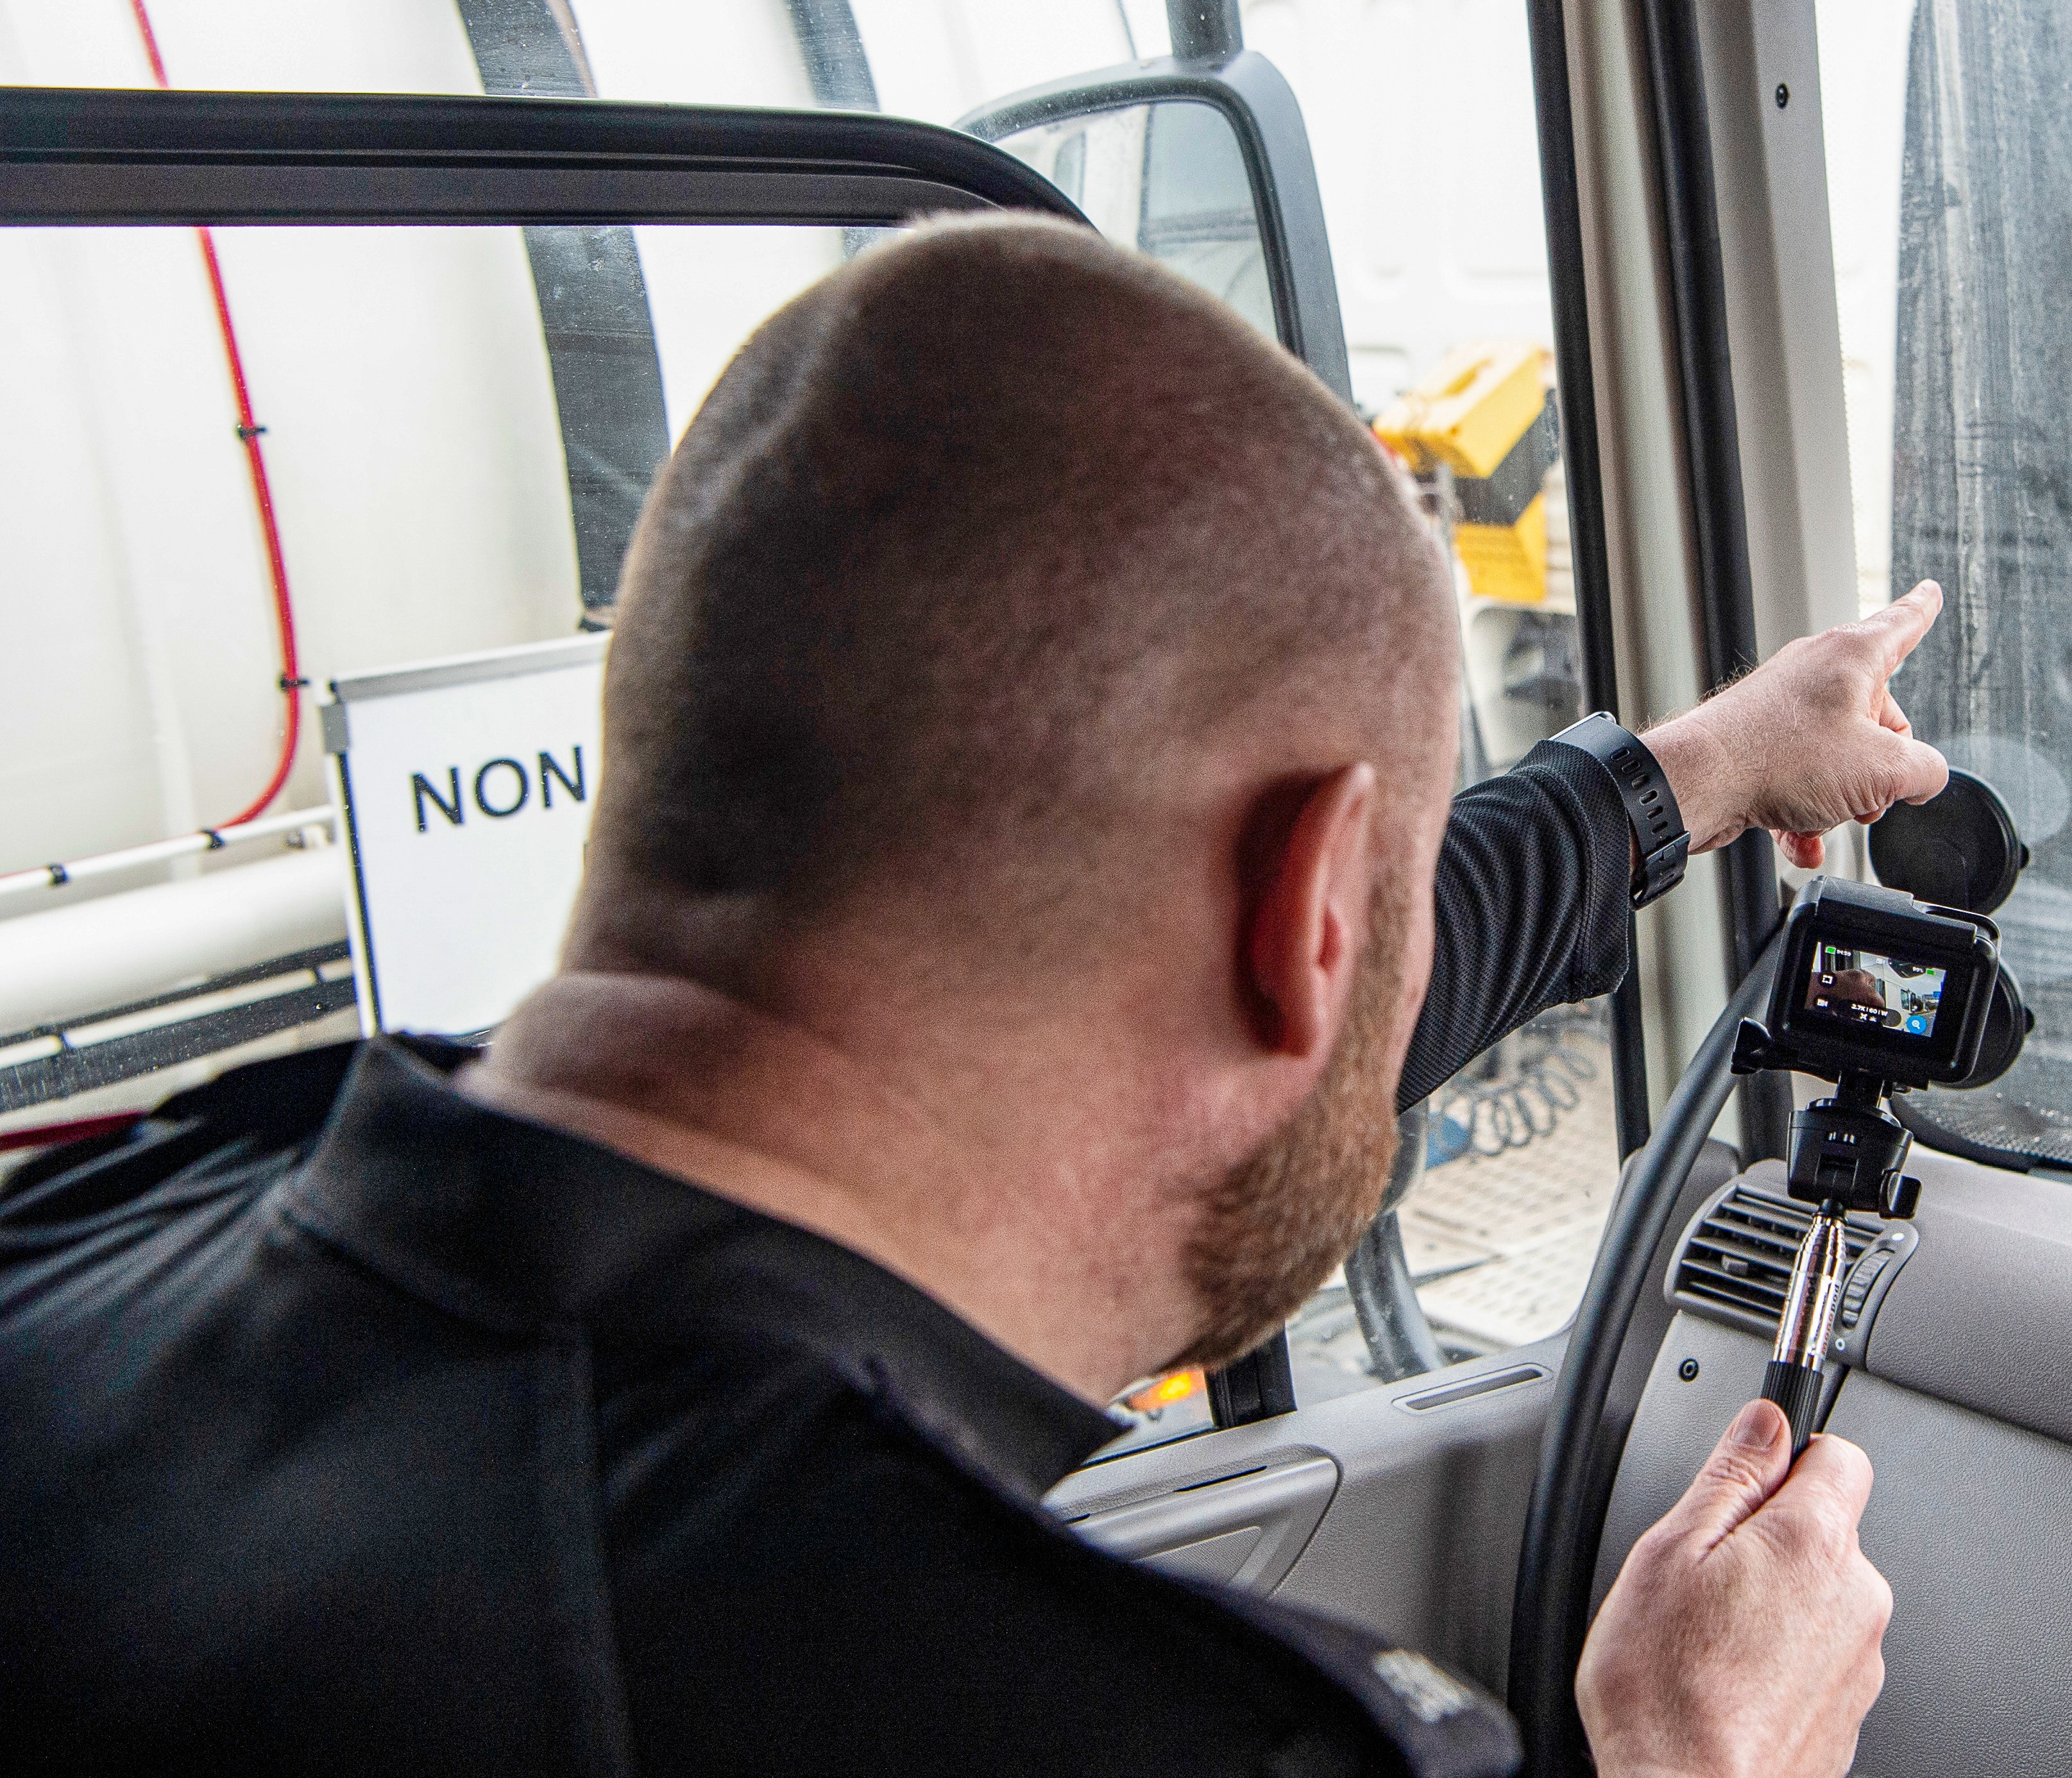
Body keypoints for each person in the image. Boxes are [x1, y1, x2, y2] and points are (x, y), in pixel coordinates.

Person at [0, 214, 1951, 1775]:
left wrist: (1702, 768)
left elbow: (1281, 1032)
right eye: (1378, 910)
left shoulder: (99, 1240)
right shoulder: (1163, 1732)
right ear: (1302, 924)